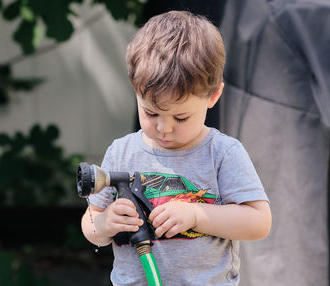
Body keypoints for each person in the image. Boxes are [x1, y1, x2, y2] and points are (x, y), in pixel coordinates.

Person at [81, 10, 271, 285]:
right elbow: (91, 220)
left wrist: (196, 214)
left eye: (181, 117)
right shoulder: (121, 153)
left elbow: (258, 222)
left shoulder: (222, 154)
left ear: (213, 95)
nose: (164, 128)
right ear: (135, 90)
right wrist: (104, 224)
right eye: (150, 113)